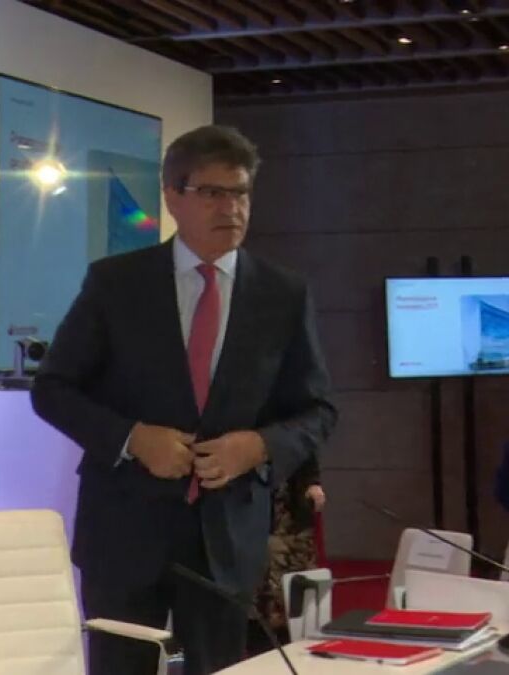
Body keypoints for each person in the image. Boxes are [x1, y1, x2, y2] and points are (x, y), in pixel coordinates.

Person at [30, 125, 337, 675]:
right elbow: (52, 390)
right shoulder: (116, 284)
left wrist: (259, 446)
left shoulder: (283, 294)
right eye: (213, 193)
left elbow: (317, 410)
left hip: (228, 539)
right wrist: (132, 439)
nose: (231, 208)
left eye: (241, 193)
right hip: (124, 530)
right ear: (173, 196)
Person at [248, 456, 326, 652]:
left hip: (287, 515)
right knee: (254, 598)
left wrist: (311, 482)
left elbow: (303, 448)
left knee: (290, 599)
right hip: (246, 503)